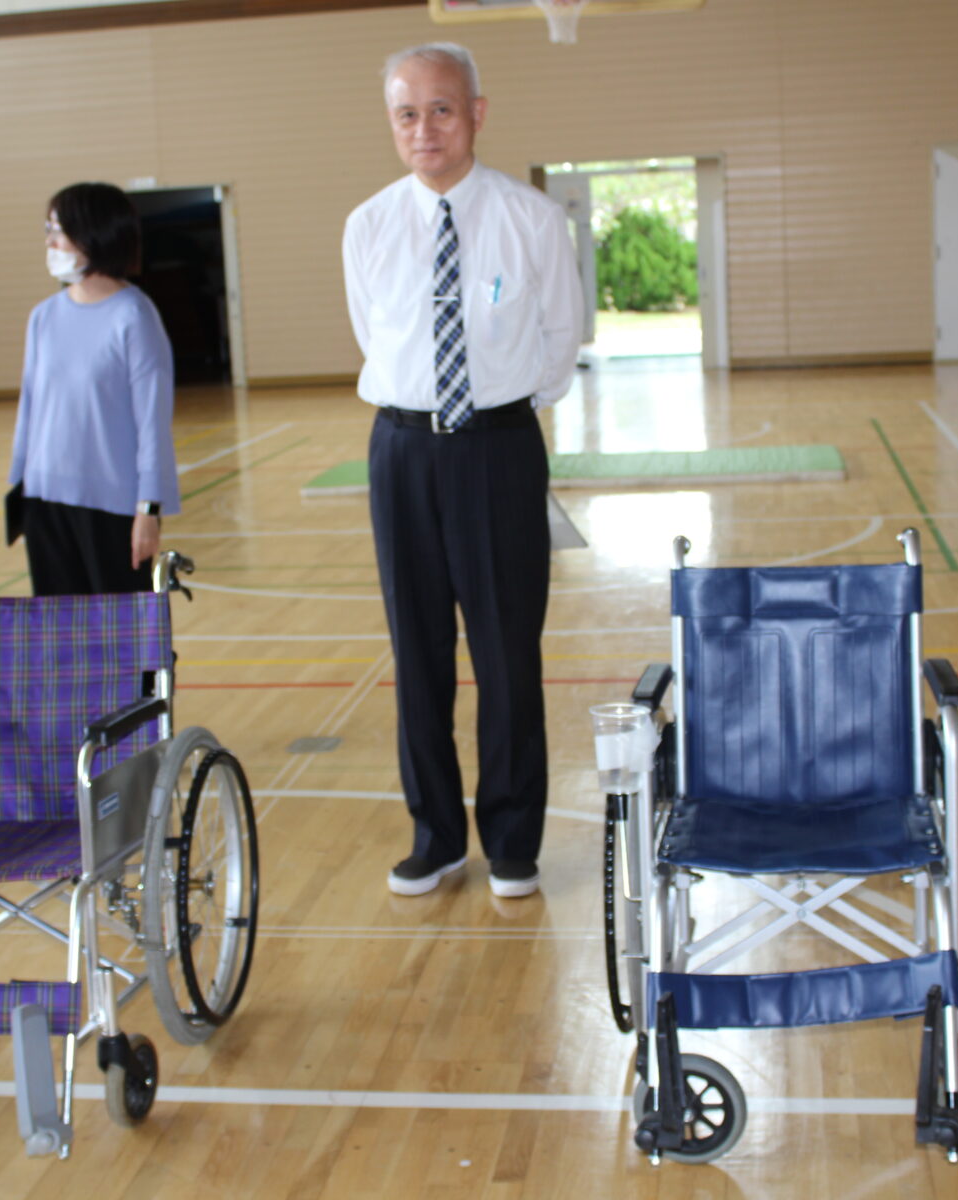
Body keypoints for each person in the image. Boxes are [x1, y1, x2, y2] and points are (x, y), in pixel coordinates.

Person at [343, 44, 582, 898]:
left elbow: (561, 339)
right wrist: (428, 416)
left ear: (478, 112)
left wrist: (493, 414)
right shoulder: (368, 226)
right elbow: (378, 340)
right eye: (407, 113)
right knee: (418, 651)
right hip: (402, 450)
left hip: (498, 449)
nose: (424, 129)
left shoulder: (530, 220)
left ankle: (512, 839)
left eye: (441, 109)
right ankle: (437, 835)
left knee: (507, 651)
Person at [9, 182, 179, 595]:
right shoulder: (43, 317)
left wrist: (149, 509)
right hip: (45, 501)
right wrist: (18, 493)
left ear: (94, 233)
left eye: (58, 230)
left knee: (122, 644)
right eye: (47, 229)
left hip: (111, 506)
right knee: (62, 643)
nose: (50, 241)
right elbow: (30, 409)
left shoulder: (134, 317)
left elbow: (152, 424)